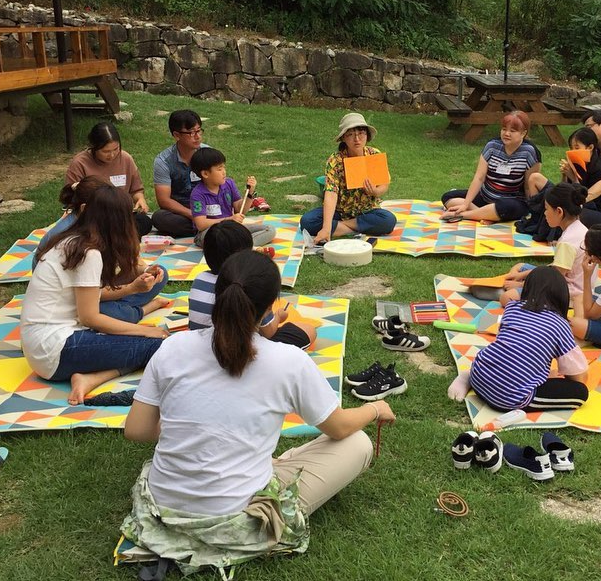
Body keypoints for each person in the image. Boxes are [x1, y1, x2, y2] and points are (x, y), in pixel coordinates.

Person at [121, 250, 395, 575]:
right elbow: (339, 427)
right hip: (240, 516)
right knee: (357, 443)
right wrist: (374, 408)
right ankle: (265, 474)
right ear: (270, 307)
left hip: (164, 507)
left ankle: (265, 465)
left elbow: (137, 429)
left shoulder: (173, 347)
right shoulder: (289, 361)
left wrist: (191, 428)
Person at [21, 185, 169, 405]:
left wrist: (134, 287)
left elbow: (93, 297)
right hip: (55, 350)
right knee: (162, 345)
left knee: (147, 340)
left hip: (45, 346)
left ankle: (90, 378)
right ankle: (92, 377)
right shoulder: (88, 252)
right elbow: (90, 317)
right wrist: (146, 331)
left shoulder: (73, 240)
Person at [448, 267, 589, 411]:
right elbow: (578, 377)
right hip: (508, 397)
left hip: (479, 376)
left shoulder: (512, 307)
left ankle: (468, 376)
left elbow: (511, 348)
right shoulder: (561, 325)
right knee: (580, 392)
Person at [34, 179, 170, 324]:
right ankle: (135, 311)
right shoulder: (78, 244)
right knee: (106, 312)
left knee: (159, 274)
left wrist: (147, 271)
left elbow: (132, 260)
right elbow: (87, 294)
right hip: (74, 297)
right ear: (86, 209)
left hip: (97, 285)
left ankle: (120, 308)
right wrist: (131, 289)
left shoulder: (103, 227)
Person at [189, 221, 316, 349]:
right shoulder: (251, 284)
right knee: (308, 330)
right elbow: (269, 332)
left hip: (200, 345)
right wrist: (279, 316)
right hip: (242, 351)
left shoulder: (199, 279)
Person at [300, 113, 396, 244]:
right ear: (344, 138)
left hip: (367, 211)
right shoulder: (335, 160)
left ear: (367, 135)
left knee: (388, 221)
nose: (357, 139)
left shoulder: (374, 155)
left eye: (361, 133)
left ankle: (341, 228)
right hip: (339, 211)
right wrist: (326, 227)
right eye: (351, 135)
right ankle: (353, 228)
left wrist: (375, 192)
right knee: (307, 222)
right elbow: (331, 193)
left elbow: (384, 184)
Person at [440, 111, 542, 223]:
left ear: (523, 133)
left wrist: (534, 210)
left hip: (510, 202)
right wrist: (465, 204)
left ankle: (465, 215)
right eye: (504, 129)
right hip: (486, 197)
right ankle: (487, 215)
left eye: (512, 131)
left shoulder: (530, 152)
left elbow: (528, 186)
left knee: (505, 207)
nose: (507, 134)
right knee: (448, 197)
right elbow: (479, 177)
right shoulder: (492, 146)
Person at [504, 182, 595, 296]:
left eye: (546, 209)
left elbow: (554, 278)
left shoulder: (567, 241)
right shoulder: (580, 228)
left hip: (569, 293)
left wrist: (522, 285)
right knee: (520, 267)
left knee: (507, 297)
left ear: (559, 211)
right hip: (573, 284)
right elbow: (555, 268)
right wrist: (522, 275)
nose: (545, 213)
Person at [65, 121, 152, 237]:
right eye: (106, 151)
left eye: (116, 149)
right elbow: (71, 198)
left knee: (144, 222)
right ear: (94, 147)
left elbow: (136, 190)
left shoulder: (125, 158)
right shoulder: (80, 163)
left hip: (120, 216)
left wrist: (140, 199)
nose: (112, 155)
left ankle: (113, 234)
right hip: (93, 217)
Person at [190, 147, 275, 248]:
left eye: (224, 167)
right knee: (220, 238)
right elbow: (201, 224)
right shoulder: (198, 194)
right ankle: (242, 246)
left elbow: (240, 209)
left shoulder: (229, 183)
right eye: (219, 169)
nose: (224, 172)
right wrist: (229, 219)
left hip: (230, 229)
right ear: (205, 174)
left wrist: (250, 193)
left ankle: (240, 246)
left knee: (269, 229)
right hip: (209, 233)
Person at [152, 109, 207, 238]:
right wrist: (192, 215)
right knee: (159, 218)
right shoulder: (163, 161)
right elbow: (164, 200)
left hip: (206, 206)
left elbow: (219, 185)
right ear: (177, 135)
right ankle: (207, 226)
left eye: (199, 131)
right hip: (182, 211)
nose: (197, 136)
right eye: (191, 132)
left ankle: (206, 225)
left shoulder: (207, 153)